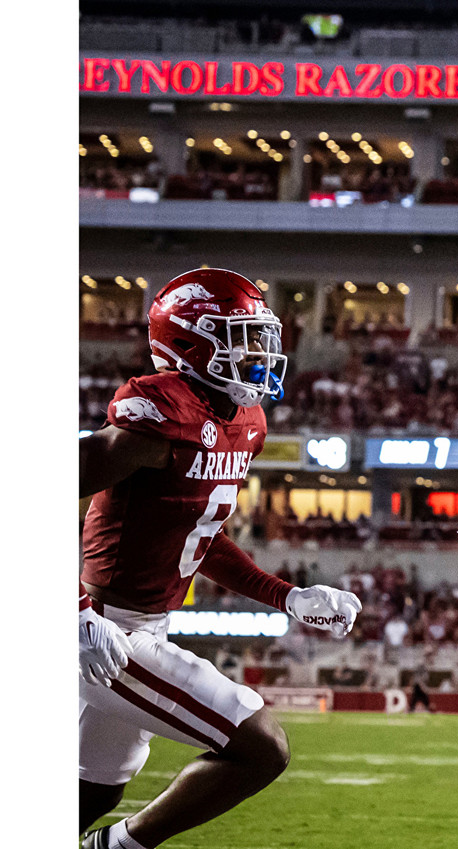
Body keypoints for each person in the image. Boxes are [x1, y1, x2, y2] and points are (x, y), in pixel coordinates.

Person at [78, 269, 363, 849]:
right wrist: (75, 609)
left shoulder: (243, 422)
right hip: (103, 630)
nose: (258, 353)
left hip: (138, 626)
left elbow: (198, 531)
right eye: (239, 338)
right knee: (262, 748)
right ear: (188, 341)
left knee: (92, 791)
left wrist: (287, 596)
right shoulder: (159, 415)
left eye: (259, 337)